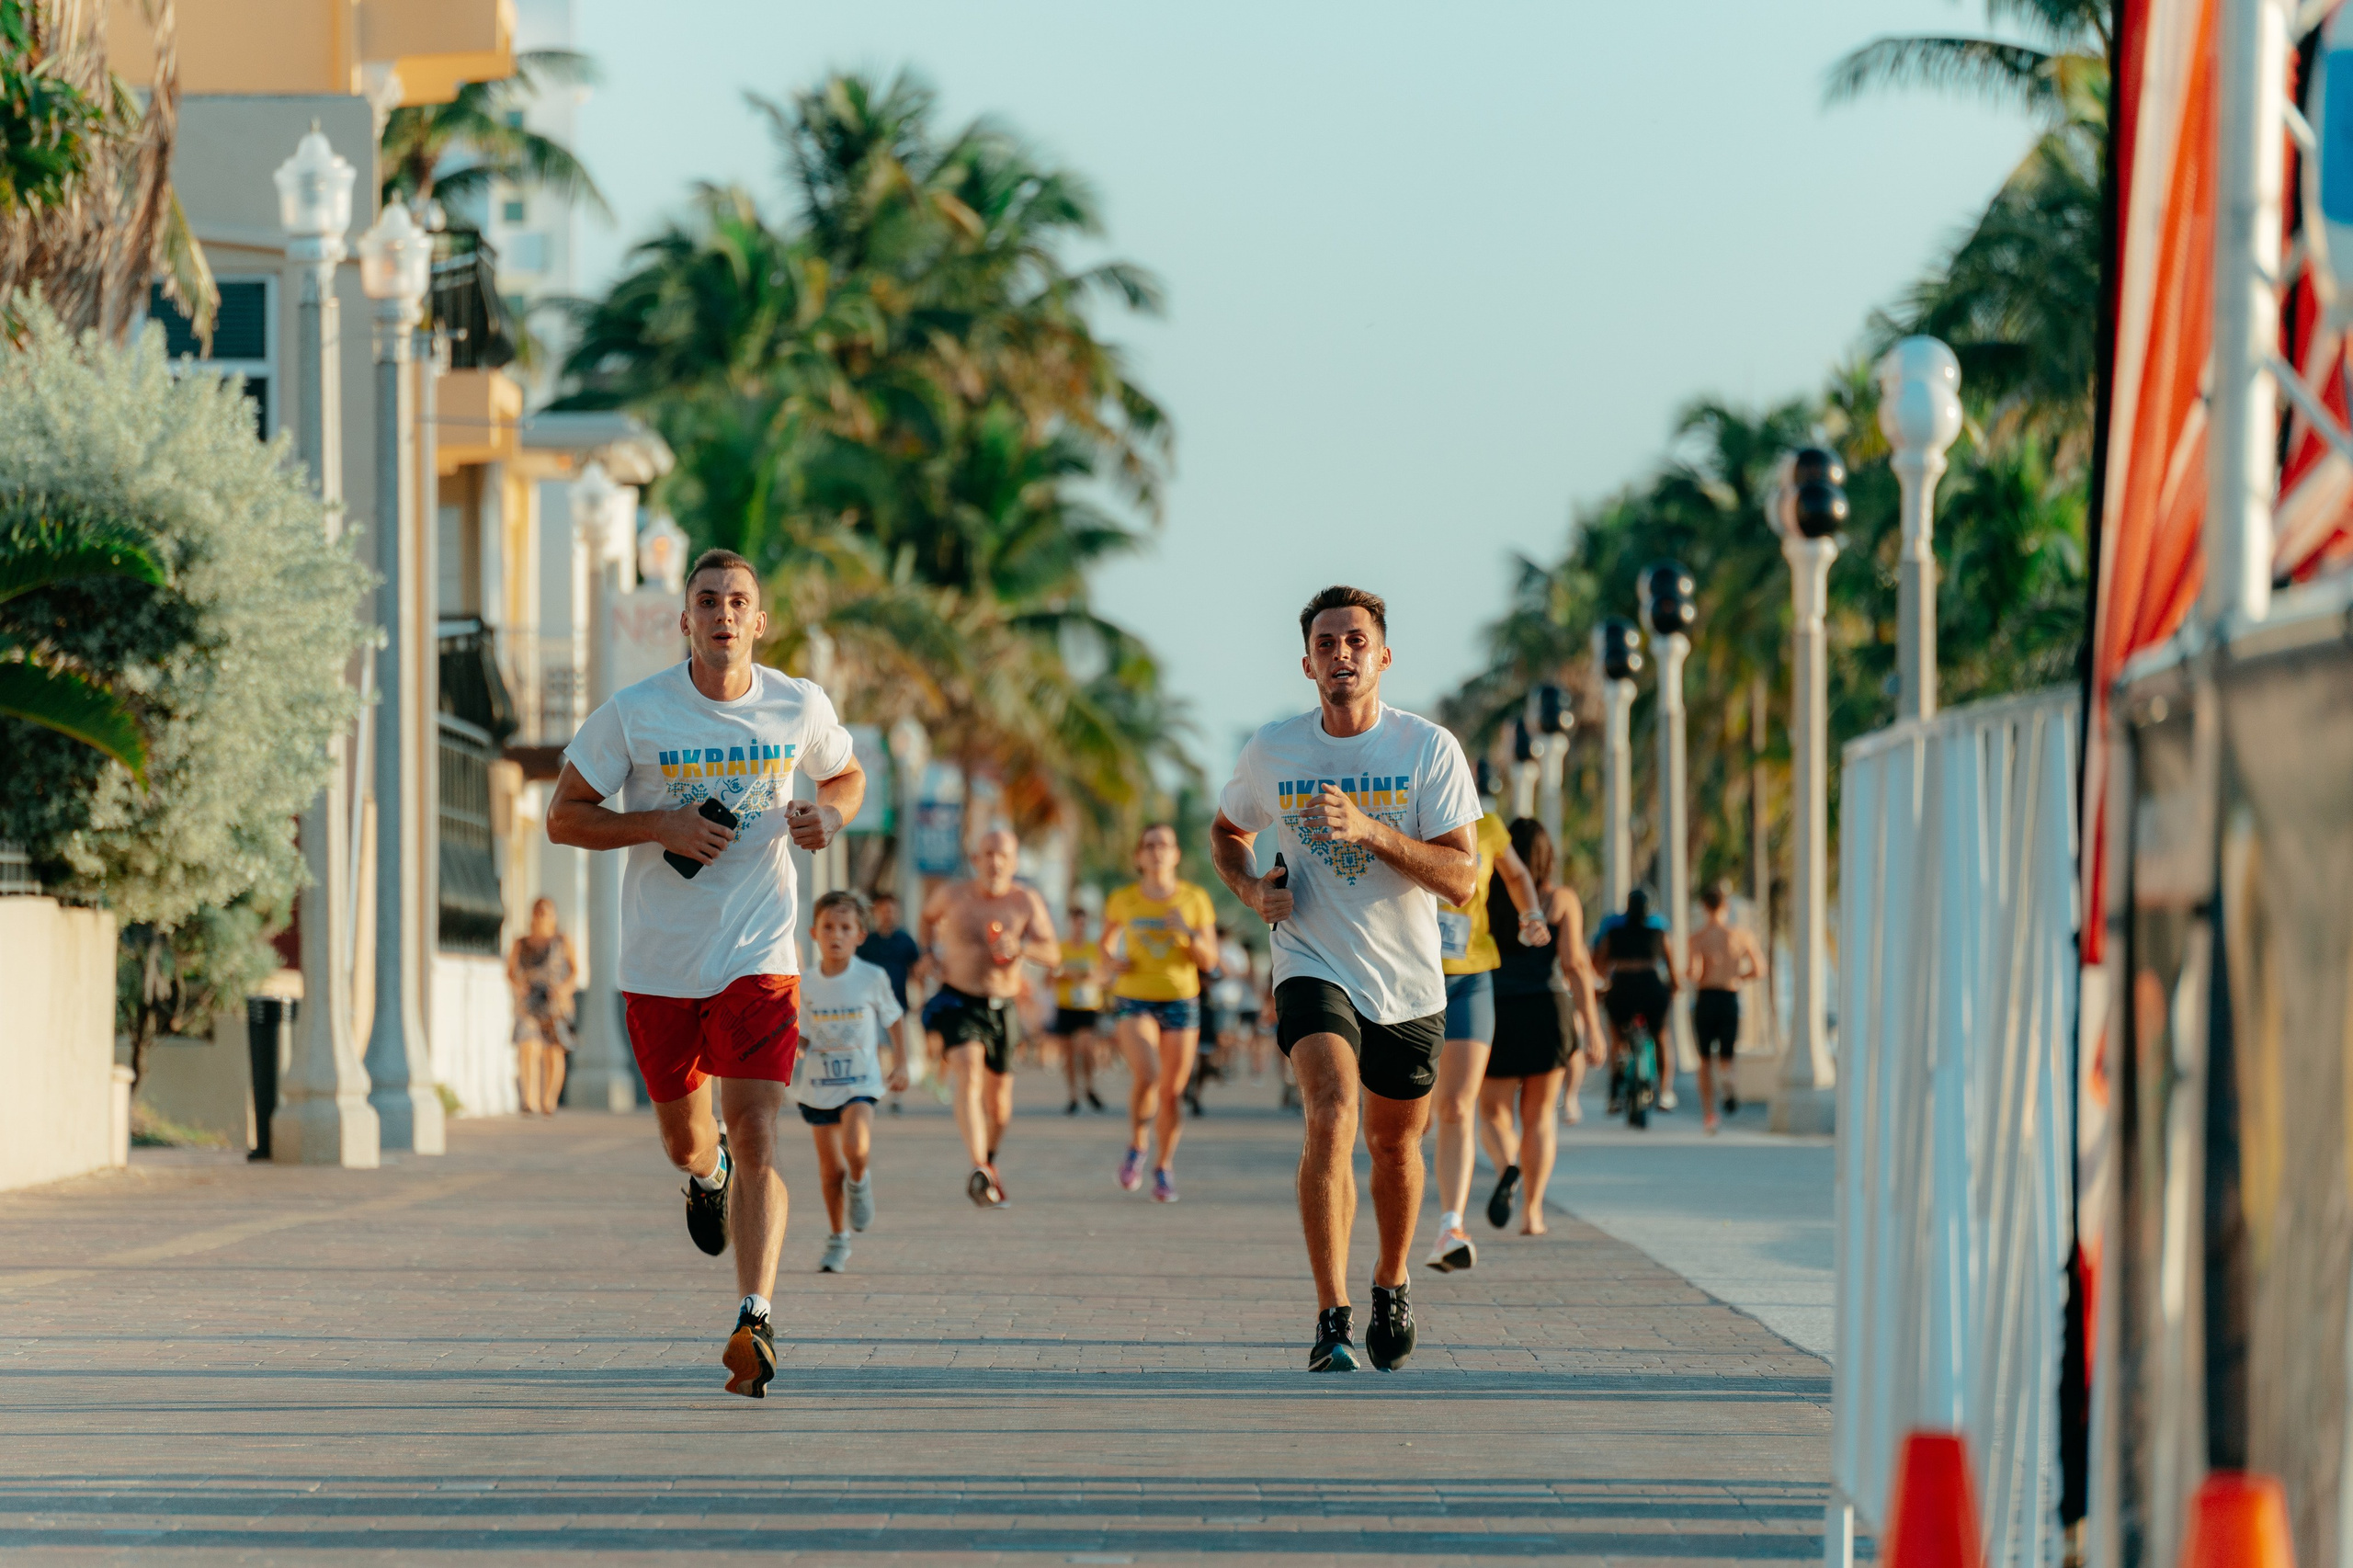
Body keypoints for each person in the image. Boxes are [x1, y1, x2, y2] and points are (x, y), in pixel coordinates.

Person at [546, 546, 865, 1401]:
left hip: (759, 955)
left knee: (758, 1130)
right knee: (687, 1141)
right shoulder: (635, 713)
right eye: (708, 599)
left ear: (760, 621)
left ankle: (754, 1319)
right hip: (660, 962)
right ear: (684, 619)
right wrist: (660, 825)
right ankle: (704, 1174)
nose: (724, 613)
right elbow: (563, 818)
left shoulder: (798, 704)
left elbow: (845, 773)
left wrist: (830, 816)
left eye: (738, 601)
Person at [1211, 585, 1481, 1373]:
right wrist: (1252, 892)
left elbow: (1463, 880)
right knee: (1330, 1110)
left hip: (1407, 980)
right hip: (1310, 958)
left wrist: (1370, 831)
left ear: (1383, 657)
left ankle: (1391, 1281)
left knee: (1394, 1145)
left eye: (1356, 642)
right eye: (1326, 644)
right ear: (1307, 665)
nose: (1342, 655)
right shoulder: (1274, 750)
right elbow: (1227, 831)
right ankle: (1331, 1316)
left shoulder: (1427, 750)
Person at [1421, 809, 1549, 1274]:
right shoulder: (1402, 814)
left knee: (1457, 1105)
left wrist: (1530, 915)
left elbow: (1516, 874)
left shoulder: (1488, 826)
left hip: (1470, 977)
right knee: (1412, 1119)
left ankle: (1451, 1228)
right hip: (1409, 980)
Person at [1477, 819, 1606, 1234]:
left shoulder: (1487, 898)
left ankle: (1507, 1167)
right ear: (1548, 857)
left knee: (1493, 1112)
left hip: (1496, 1008)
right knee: (1539, 1118)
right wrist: (1593, 1027)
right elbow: (1575, 965)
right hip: (1548, 1009)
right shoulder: (1561, 900)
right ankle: (1532, 1213)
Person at [918, 829, 1058, 1207]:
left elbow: (1053, 953)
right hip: (958, 999)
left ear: (1014, 862)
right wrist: (927, 953)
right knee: (968, 1071)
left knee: (1000, 1108)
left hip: (1003, 1007)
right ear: (975, 860)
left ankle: (989, 1163)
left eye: (1003, 855)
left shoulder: (1025, 901)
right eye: (988, 854)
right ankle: (978, 1165)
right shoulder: (952, 895)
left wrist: (1022, 947)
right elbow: (927, 918)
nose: (995, 862)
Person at [1102, 824, 1220, 1200]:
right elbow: (1104, 946)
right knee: (1149, 1075)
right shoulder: (1123, 899)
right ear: (1138, 856)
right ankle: (1138, 1144)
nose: (1157, 851)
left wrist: (1187, 932)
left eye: (1164, 845)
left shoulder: (1194, 899)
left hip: (1181, 1000)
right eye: (1149, 845)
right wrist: (1112, 961)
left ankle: (1163, 1166)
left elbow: (1210, 960)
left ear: (1176, 855)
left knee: (1171, 1093)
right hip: (1134, 997)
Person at [795, 891, 910, 1273]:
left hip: (861, 1082)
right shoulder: (805, 984)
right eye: (828, 927)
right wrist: (794, 1049)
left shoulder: (871, 977)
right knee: (831, 1172)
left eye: (845, 928)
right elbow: (803, 1033)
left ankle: (860, 1182)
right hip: (819, 1086)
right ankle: (837, 1239)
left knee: (856, 1146)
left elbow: (894, 1018)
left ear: (860, 935)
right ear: (814, 933)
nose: (836, 936)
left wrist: (902, 1064)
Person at [1593, 887, 1680, 1118]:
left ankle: (1614, 1094)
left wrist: (1599, 985)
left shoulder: (1613, 931)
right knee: (1662, 1038)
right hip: (1651, 985)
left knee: (1617, 1040)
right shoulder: (1659, 931)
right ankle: (1665, 1092)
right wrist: (1675, 987)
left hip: (1622, 986)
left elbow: (1600, 962)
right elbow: (1671, 965)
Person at [1688, 881, 1765, 1135]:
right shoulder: (1741, 935)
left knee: (1704, 1059)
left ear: (1704, 907)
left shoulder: (1697, 938)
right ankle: (1728, 1081)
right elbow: (1759, 969)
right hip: (1730, 997)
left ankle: (1710, 1115)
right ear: (1726, 906)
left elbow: (1695, 973)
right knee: (1727, 1056)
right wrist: (1738, 976)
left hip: (1706, 998)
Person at [506, 896, 578, 1117]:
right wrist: (518, 986)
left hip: (555, 1003)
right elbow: (510, 971)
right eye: (538, 912)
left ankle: (549, 1100)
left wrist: (563, 990)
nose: (541, 916)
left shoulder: (562, 941)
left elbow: (574, 971)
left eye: (546, 912)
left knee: (553, 1051)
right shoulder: (521, 943)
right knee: (527, 1045)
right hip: (530, 1001)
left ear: (554, 916)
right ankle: (529, 1100)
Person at [857, 891, 926, 1115]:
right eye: (884, 910)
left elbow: (916, 971)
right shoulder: (867, 942)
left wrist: (920, 997)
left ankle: (896, 1094)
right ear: (876, 912)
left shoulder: (905, 940)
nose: (888, 914)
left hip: (898, 1005)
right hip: (871, 1005)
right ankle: (876, 1090)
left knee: (898, 1049)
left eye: (892, 911)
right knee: (875, 1047)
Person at [1049, 904, 1108, 1115]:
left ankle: (1089, 1086)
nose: (1079, 927)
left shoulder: (1094, 949)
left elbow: (1106, 977)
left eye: (1082, 924)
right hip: (1066, 1005)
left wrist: (1093, 977)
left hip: (1088, 1005)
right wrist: (1064, 975)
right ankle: (1073, 1095)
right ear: (1069, 924)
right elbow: (1048, 979)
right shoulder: (1060, 949)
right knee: (1069, 1055)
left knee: (1087, 1048)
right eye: (1075, 923)